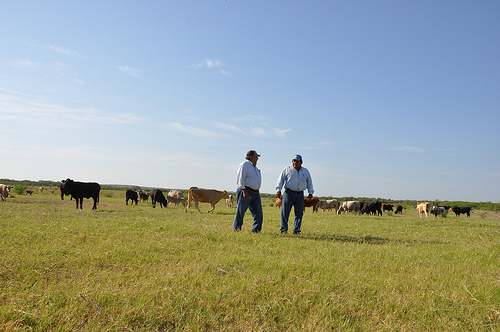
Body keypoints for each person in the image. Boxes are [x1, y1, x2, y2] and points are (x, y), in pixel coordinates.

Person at [275, 154, 314, 234]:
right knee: (285, 212)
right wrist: (279, 190)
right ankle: (283, 230)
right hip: (288, 193)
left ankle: (296, 230)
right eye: (294, 160)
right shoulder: (287, 170)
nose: (295, 162)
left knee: (299, 213)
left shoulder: (305, 171)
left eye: (297, 161)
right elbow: (281, 180)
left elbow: (309, 182)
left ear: (301, 162)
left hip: (300, 194)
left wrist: (310, 192)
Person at [233, 150, 263, 232]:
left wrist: (257, 191)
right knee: (240, 211)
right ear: (251, 157)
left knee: (258, 213)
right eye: (256, 157)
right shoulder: (244, 165)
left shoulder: (256, 168)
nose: (257, 159)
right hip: (246, 191)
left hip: (255, 192)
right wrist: (244, 191)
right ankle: (236, 229)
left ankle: (256, 230)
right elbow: (240, 179)